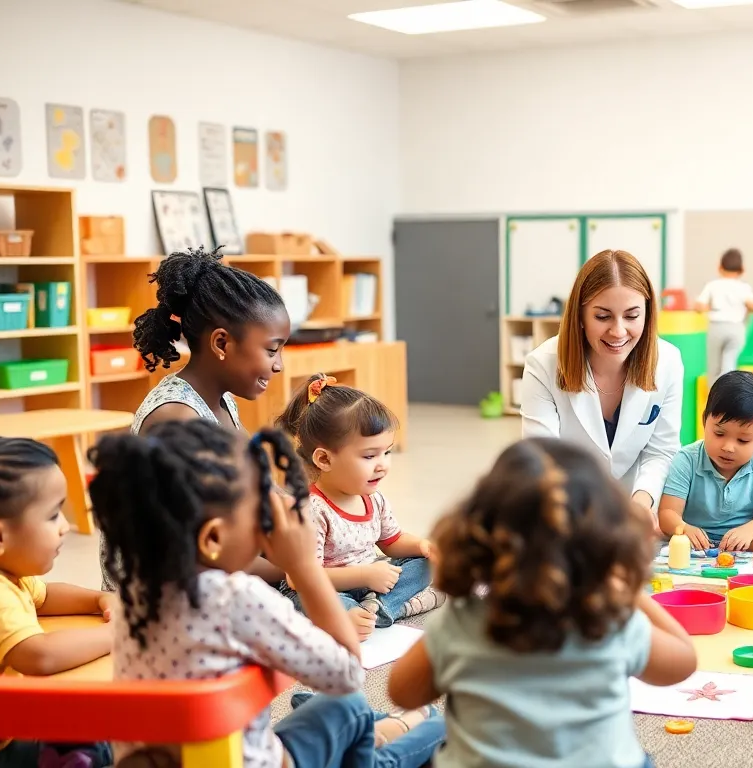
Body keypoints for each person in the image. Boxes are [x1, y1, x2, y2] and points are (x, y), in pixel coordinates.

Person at [91, 420, 444, 768]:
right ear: (213, 539)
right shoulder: (235, 598)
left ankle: (380, 731)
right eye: (259, 513)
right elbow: (346, 674)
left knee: (343, 711)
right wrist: (304, 568)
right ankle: (389, 741)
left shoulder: (138, 593)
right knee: (431, 724)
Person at [387, 438, 697, 768]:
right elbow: (683, 662)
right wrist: (628, 592)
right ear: (607, 541)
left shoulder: (458, 623)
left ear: (481, 533)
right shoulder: (611, 620)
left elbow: (403, 694)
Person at [98, 245, 291, 592]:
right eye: (272, 350)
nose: (279, 365)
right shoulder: (177, 417)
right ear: (221, 343)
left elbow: (259, 481)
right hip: (167, 595)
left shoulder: (219, 396)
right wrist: (298, 567)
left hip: (220, 558)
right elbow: (203, 549)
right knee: (320, 596)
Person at [0, 435, 113, 768]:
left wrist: (99, 598)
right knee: (97, 747)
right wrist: (116, 634)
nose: (64, 528)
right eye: (52, 516)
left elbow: (44, 596)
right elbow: (39, 656)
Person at [521, 249, 683, 534]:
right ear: (580, 316)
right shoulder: (543, 364)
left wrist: (641, 502)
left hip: (634, 510)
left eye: (632, 316)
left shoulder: (668, 362)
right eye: (603, 316)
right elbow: (541, 458)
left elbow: (661, 451)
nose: (618, 331)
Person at [275, 373, 442, 641]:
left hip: (367, 581)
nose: (382, 464)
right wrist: (365, 575)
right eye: (369, 456)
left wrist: (423, 546)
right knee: (307, 600)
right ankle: (368, 611)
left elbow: (392, 541)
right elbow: (299, 579)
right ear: (324, 459)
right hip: (322, 587)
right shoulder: (311, 510)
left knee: (425, 564)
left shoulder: (373, 498)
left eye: (386, 452)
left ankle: (379, 608)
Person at [657, 370, 753, 554]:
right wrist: (684, 528)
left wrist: (750, 530)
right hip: (694, 541)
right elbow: (667, 513)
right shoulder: (687, 459)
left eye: (743, 440)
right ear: (705, 421)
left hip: (746, 541)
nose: (728, 447)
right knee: (661, 534)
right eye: (719, 434)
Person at [694, 248, 753, 382]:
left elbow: (698, 306)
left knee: (713, 367)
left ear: (719, 267)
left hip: (716, 327)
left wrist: (711, 307)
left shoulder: (713, 285)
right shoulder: (743, 287)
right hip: (736, 328)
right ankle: (729, 392)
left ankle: (714, 396)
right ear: (742, 269)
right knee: (729, 363)